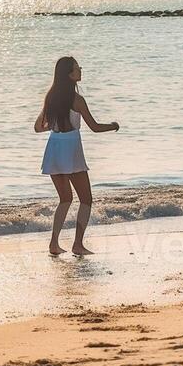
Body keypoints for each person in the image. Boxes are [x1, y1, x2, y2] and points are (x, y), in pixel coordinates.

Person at [35, 56, 120, 256]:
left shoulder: (50, 97)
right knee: (86, 199)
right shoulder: (77, 100)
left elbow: (38, 127)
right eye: (77, 68)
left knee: (64, 199)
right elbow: (95, 128)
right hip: (71, 148)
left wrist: (55, 124)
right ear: (69, 74)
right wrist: (113, 126)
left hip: (54, 147)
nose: (80, 70)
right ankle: (78, 244)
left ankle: (54, 244)